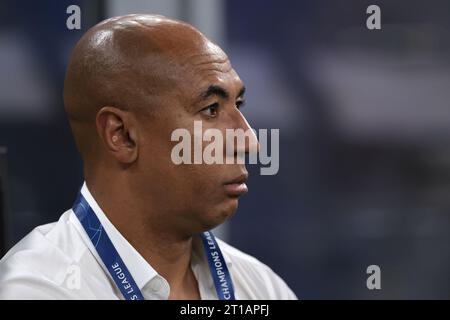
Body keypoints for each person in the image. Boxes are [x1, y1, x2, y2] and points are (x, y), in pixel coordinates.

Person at [0, 14, 296, 300]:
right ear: (122, 135)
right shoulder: (37, 289)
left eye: (239, 104)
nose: (250, 141)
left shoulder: (261, 287)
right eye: (211, 110)